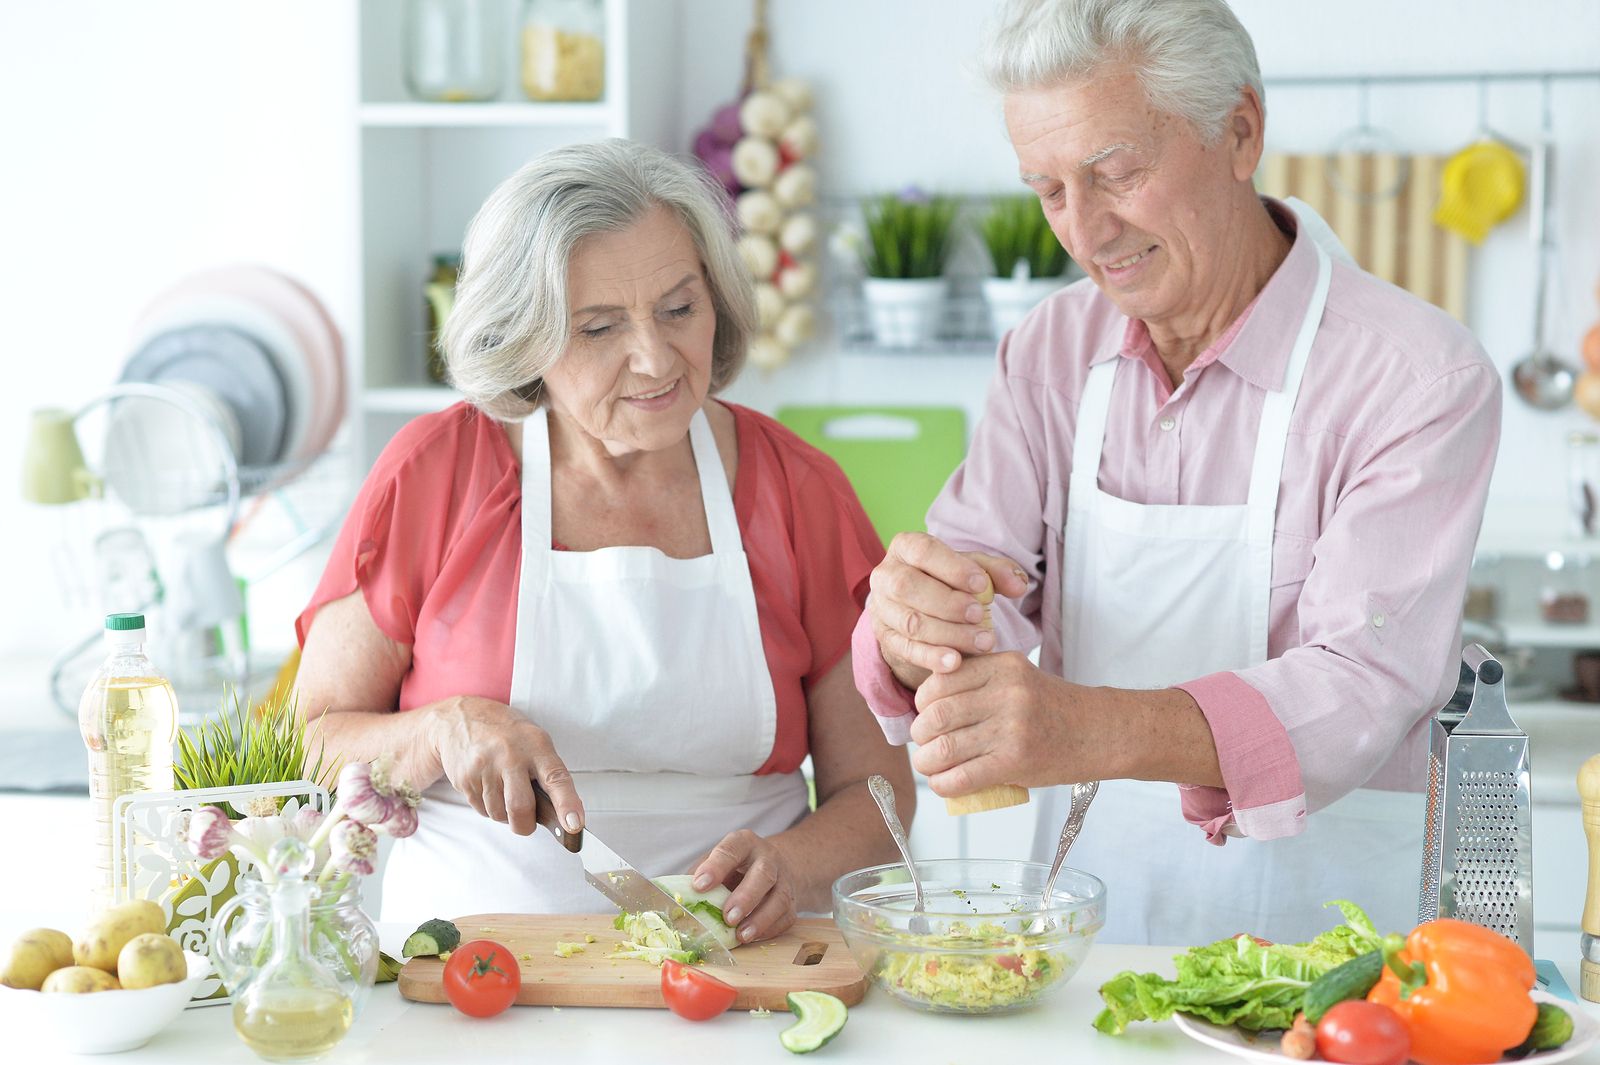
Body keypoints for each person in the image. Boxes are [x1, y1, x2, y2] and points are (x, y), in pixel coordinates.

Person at [853, 0, 1501, 945]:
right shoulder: (1047, 352)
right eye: (1049, 191)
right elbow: (975, 592)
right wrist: (917, 628)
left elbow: (1361, 683)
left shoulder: (1417, 377)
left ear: (1240, 132)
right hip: (1088, 929)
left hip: (1330, 941)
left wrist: (1083, 729)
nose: (1086, 232)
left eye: (1116, 174)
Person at [294, 139, 913, 942]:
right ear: (523, 339)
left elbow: (877, 793)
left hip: (733, 967)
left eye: (679, 309)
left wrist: (793, 866)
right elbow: (305, 745)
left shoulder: (801, 491)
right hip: (469, 968)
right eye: (597, 328)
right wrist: (438, 730)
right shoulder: (437, 472)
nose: (655, 359)